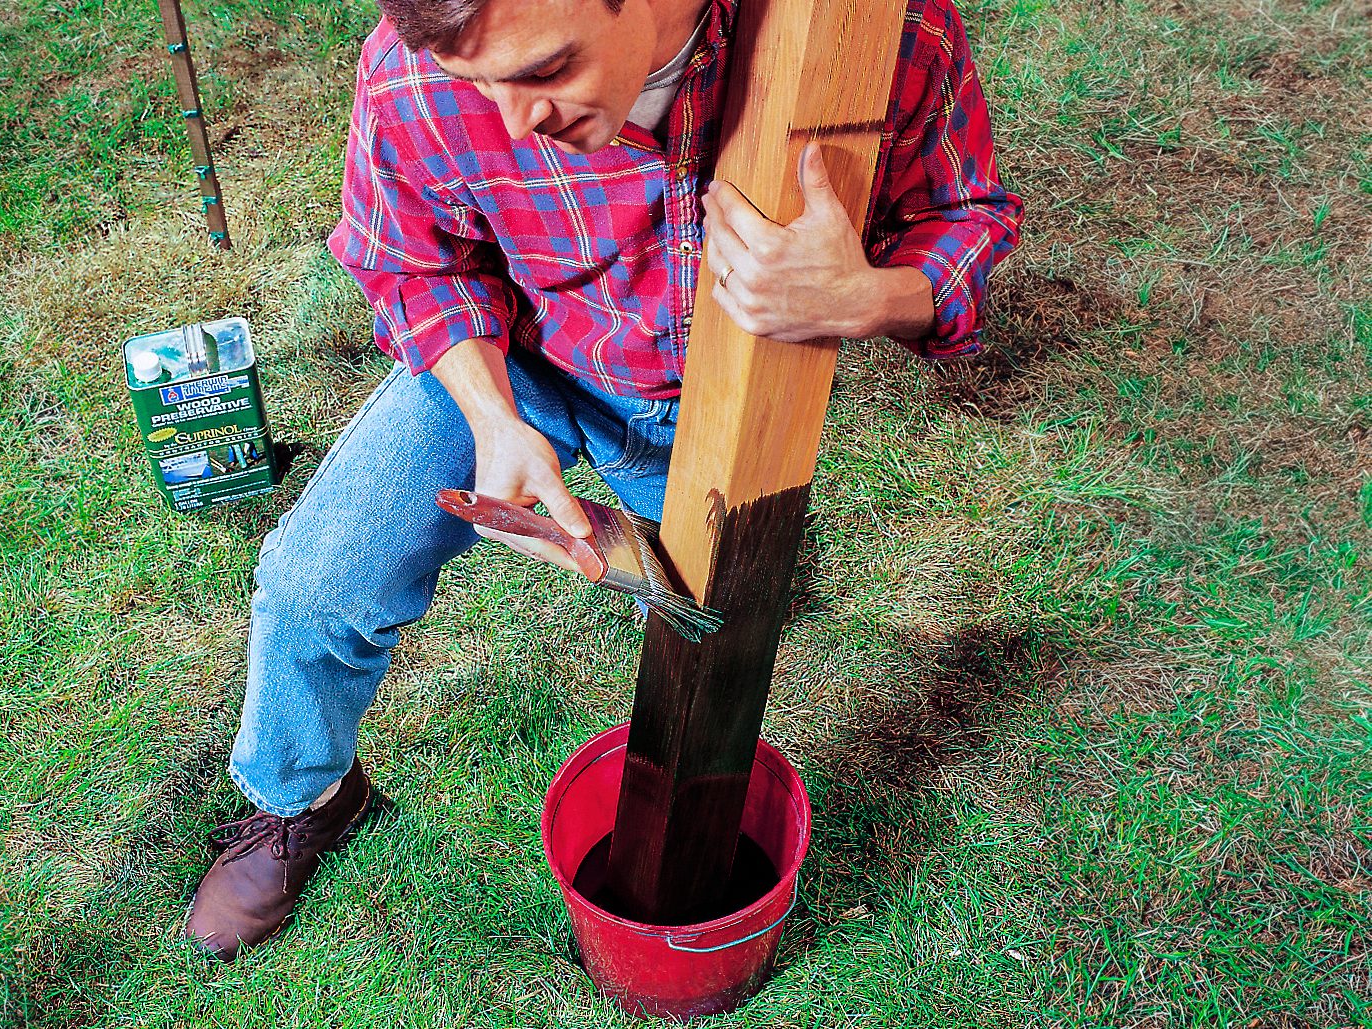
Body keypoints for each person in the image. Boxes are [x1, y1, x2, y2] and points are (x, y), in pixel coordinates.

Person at [183, 0, 1022, 960]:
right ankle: (303, 804)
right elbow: (415, 266)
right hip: (525, 360)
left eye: (544, 71)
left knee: (709, 636)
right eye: (477, 84)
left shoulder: (879, 30)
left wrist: (872, 297)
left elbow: (964, 219)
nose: (508, 119)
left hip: (724, 406)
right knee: (315, 583)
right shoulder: (413, 72)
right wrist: (494, 418)